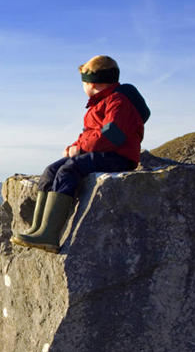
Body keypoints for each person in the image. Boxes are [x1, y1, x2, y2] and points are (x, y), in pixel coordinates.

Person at [11, 55, 150, 253]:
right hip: (104, 151)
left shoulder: (119, 100)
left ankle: (50, 234)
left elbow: (113, 135)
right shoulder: (102, 101)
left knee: (69, 169)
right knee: (51, 171)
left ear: (92, 83)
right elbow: (91, 133)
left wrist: (81, 149)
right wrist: (74, 146)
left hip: (118, 156)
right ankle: (38, 228)